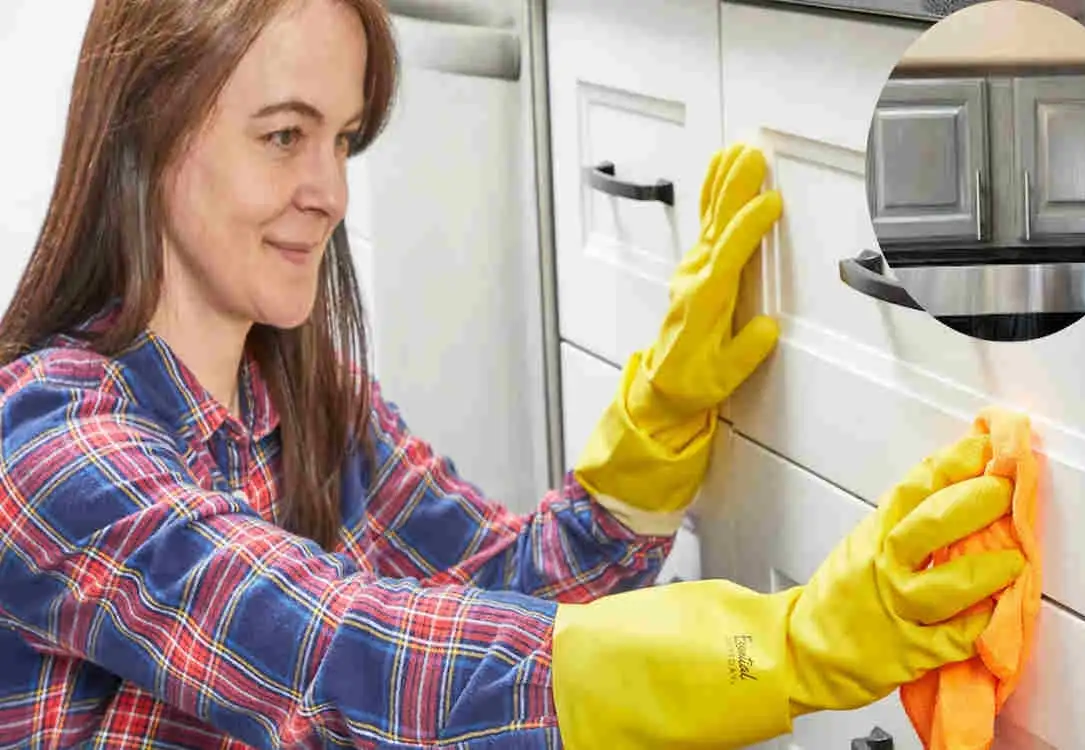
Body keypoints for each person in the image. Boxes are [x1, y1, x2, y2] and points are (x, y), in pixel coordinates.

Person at [0, 1, 1026, 748]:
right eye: (284, 136)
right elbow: (332, 659)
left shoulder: (303, 404)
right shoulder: (47, 448)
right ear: (146, 133)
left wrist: (653, 436)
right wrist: (781, 648)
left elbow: (505, 596)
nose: (329, 193)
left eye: (343, 139)